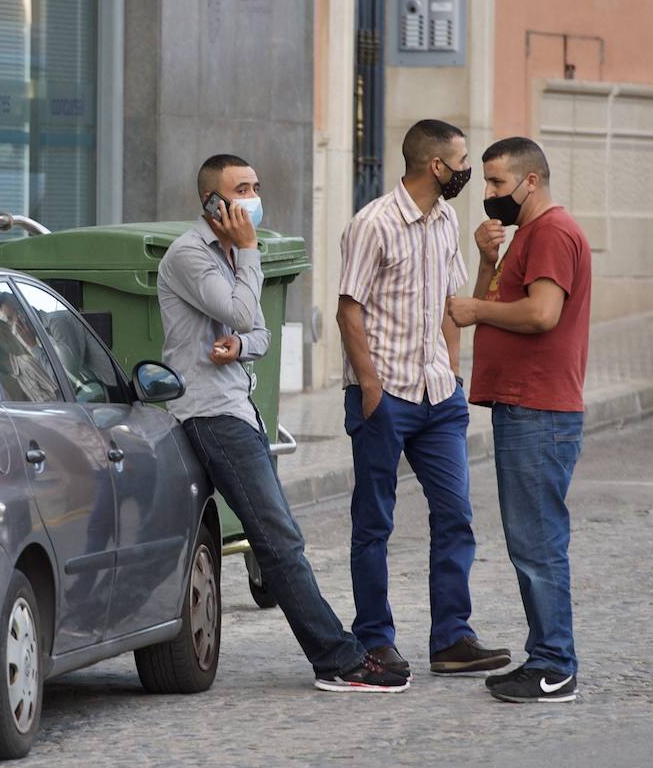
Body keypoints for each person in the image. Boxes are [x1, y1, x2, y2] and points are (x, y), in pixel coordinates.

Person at [157, 153, 408, 693]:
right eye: (240, 189)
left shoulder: (233, 256)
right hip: (210, 413)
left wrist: (239, 345)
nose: (252, 196)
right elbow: (245, 310)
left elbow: (260, 334)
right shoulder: (190, 256)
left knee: (278, 540)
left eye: (255, 185)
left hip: (238, 409)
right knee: (279, 541)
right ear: (212, 201)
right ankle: (338, 660)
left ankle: (336, 647)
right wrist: (248, 255)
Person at [336, 120, 511, 679]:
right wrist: (369, 388)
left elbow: (452, 304)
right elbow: (349, 309)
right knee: (374, 525)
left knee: (456, 516)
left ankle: (452, 638)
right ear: (437, 167)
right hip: (385, 395)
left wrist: (453, 374)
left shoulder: (447, 219)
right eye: (461, 162)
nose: (467, 171)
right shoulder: (372, 224)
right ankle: (374, 640)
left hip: (439, 395)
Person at [448, 137, 592, 703]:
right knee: (528, 541)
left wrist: (475, 309)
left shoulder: (552, 232)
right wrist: (488, 263)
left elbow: (541, 313)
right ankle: (544, 655)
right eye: (484, 182)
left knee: (538, 544)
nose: (487, 194)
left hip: (540, 409)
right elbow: (506, 298)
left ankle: (555, 664)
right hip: (524, 406)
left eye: (497, 184)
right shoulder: (526, 235)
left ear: (530, 181)